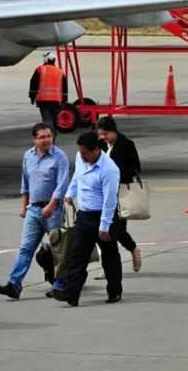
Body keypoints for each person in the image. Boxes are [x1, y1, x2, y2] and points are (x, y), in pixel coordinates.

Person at [0, 123, 70, 300]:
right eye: (42, 137)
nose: (46, 140)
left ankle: (60, 285)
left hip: (53, 210)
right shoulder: (28, 156)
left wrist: (51, 206)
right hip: (34, 210)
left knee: (57, 250)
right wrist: (24, 206)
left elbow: (62, 185)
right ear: (34, 139)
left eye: (49, 136)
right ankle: (14, 284)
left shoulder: (59, 157)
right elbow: (25, 184)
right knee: (26, 248)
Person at [50, 131, 123, 307]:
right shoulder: (81, 158)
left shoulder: (109, 170)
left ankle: (115, 290)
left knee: (109, 255)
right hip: (84, 215)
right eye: (80, 153)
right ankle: (71, 293)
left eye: (85, 153)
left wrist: (104, 225)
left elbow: (110, 199)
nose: (81, 156)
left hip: (104, 216)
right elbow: (77, 177)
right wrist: (70, 193)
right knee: (77, 255)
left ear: (96, 150)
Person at [95, 117, 142, 275]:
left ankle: (133, 249)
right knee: (102, 230)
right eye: (101, 134)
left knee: (118, 230)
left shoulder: (127, 145)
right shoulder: (100, 146)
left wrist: (116, 174)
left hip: (120, 192)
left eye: (106, 134)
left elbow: (136, 167)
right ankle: (106, 267)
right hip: (102, 193)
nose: (103, 137)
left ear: (114, 131)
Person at [29, 52, 67, 140]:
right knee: (54, 119)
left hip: (43, 100)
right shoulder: (60, 71)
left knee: (47, 119)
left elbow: (33, 84)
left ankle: (50, 137)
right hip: (56, 101)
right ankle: (53, 135)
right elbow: (64, 88)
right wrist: (64, 100)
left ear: (46, 59)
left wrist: (32, 96)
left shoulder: (40, 70)